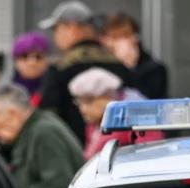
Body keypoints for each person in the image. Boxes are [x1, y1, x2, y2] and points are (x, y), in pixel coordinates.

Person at [36, 1, 133, 144]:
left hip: (74, 153)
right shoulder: (118, 64)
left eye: (56, 29)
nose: (55, 37)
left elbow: (48, 115)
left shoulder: (60, 68)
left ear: (72, 27)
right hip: (117, 150)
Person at [69, 67, 163, 159]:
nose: (82, 109)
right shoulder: (94, 124)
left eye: (88, 101)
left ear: (109, 96)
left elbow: (149, 156)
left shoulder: (138, 119)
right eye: (79, 102)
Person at [100, 12, 168, 99]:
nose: (113, 44)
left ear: (134, 38)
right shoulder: (104, 65)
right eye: (111, 38)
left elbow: (149, 100)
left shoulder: (154, 69)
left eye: (120, 37)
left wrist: (129, 67)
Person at [11, 32, 51, 105]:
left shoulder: (57, 88)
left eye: (38, 56)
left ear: (46, 60)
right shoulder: (6, 89)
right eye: (24, 56)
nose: (32, 62)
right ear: (16, 61)